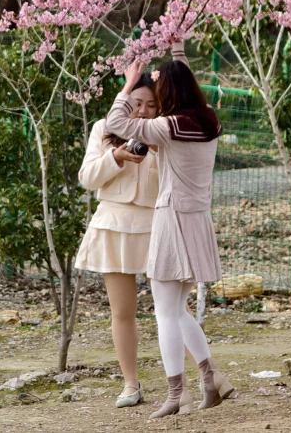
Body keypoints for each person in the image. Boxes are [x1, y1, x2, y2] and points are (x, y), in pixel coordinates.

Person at [106, 47, 234, 418]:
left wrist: (129, 85)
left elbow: (118, 121)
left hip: (172, 218)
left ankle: (177, 394)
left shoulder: (168, 127)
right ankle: (209, 382)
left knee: (165, 311)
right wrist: (178, 53)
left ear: (169, 95)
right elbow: (183, 82)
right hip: (197, 220)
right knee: (177, 309)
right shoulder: (208, 120)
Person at [76, 73, 160, 407]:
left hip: (157, 226)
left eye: (152, 105)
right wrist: (117, 157)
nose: (143, 111)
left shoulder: (165, 132)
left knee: (171, 310)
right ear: (124, 102)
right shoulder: (103, 129)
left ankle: (195, 379)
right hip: (113, 224)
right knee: (122, 312)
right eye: (137, 103)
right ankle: (131, 385)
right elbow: (87, 177)